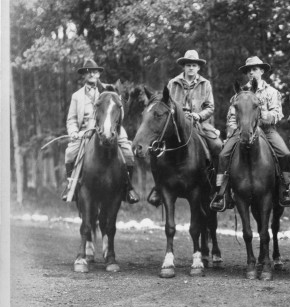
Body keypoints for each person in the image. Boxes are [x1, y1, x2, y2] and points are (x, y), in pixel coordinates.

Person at [210, 56, 290, 211]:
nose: (251, 72)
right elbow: (232, 116)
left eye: (255, 69)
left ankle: (285, 188)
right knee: (223, 155)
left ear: (262, 71)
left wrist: (265, 117)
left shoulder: (272, 92)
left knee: (285, 153)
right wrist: (234, 130)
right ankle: (223, 193)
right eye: (248, 70)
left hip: (267, 130)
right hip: (243, 131)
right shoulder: (239, 94)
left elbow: (277, 113)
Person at [147, 50, 223, 207]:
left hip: (199, 123)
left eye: (194, 65)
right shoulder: (173, 83)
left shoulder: (205, 84)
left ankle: (217, 189)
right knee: (155, 147)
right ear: (184, 66)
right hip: (177, 125)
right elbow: (166, 104)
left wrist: (198, 115)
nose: (191, 68)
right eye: (188, 65)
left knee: (217, 146)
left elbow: (210, 107)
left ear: (198, 68)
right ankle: (158, 187)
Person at [62, 59, 139, 204]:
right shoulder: (76, 96)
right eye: (88, 72)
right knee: (70, 153)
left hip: (110, 127)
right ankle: (71, 185)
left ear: (98, 73)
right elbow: (71, 119)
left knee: (128, 152)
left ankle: (128, 187)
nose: (92, 74)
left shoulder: (109, 90)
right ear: (84, 75)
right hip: (85, 131)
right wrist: (73, 132)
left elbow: (119, 112)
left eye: (94, 71)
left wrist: (114, 125)